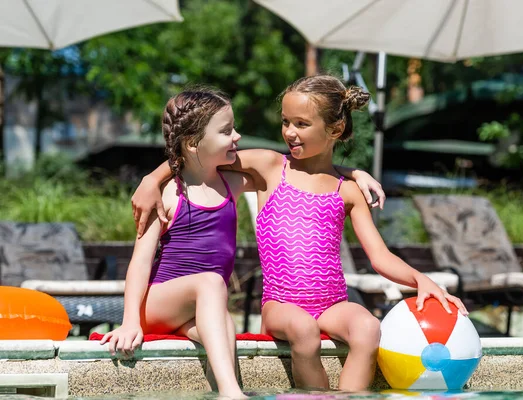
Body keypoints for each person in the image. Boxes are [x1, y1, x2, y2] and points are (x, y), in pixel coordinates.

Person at [132, 75, 467, 392]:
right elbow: (200, 156)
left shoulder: (347, 191)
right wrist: (152, 178)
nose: (289, 132)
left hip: (333, 303)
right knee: (305, 330)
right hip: (280, 305)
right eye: (285, 121)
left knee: (367, 328)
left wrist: (421, 279)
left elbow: (379, 257)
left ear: (335, 128)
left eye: (301, 124)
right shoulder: (270, 168)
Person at [101, 87, 249, 399]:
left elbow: (289, 166)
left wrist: (353, 174)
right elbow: (140, 261)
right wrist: (130, 322)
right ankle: (232, 393)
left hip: (198, 307)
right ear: (194, 143)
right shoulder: (169, 194)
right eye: (226, 131)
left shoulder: (232, 184)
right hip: (157, 304)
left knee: (223, 329)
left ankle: (221, 390)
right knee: (210, 282)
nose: (236, 135)